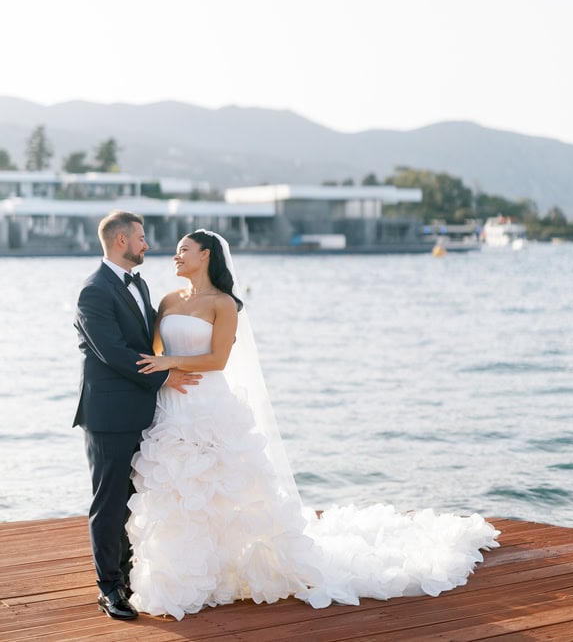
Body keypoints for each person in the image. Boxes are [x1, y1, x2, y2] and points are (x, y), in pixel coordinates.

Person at [127, 229, 499, 620]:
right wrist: (166, 371)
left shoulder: (224, 304)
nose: (175, 256)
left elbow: (218, 360)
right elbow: (155, 352)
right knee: (177, 488)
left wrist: (172, 363)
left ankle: (229, 570)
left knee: (224, 487)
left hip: (210, 404)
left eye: (184, 250)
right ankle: (186, 575)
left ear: (206, 255)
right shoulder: (168, 299)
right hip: (173, 404)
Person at [73, 211, 199, 621]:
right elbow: (114, 354)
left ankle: (130, 577)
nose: (147, 244)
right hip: (108, 414)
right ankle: (109, 589)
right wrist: (165, 375)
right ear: (121, 240)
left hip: (144, 411)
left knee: (135, 500)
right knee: (109, 503)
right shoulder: (93, 292)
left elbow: (146, 342)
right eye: (142, 238)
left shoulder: (139, 284)